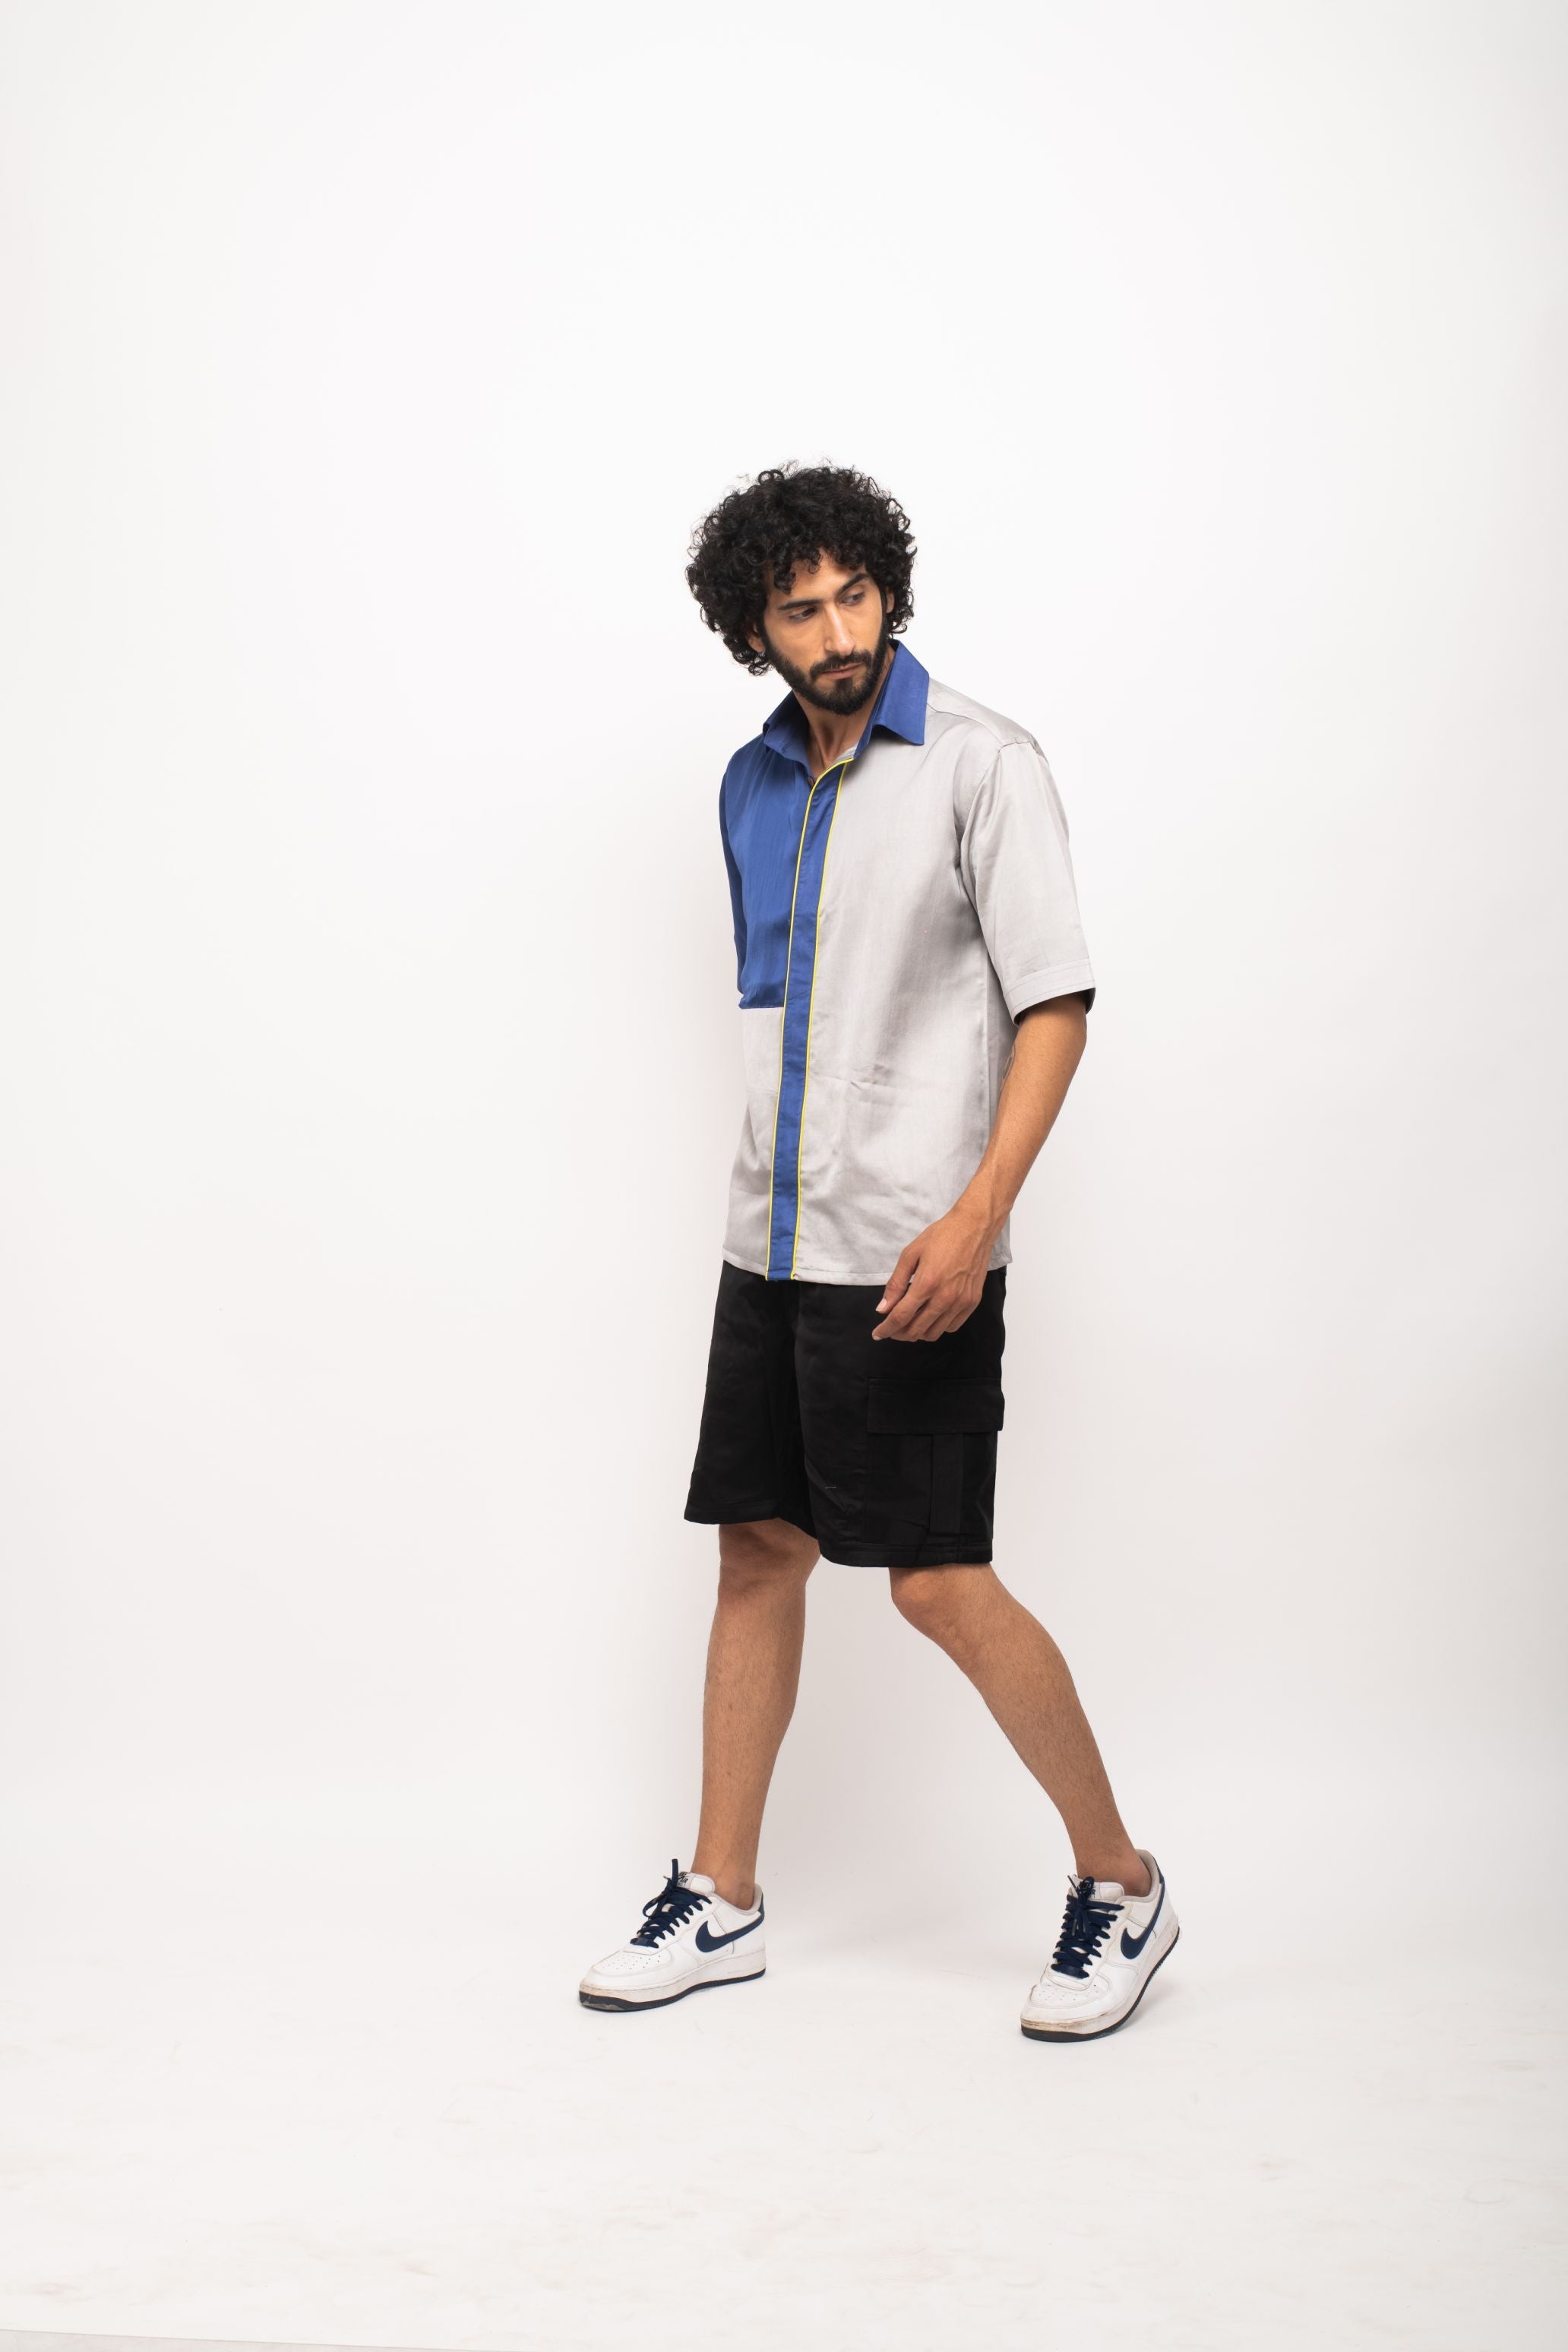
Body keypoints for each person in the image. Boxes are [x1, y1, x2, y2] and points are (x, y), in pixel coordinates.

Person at [578, 463, 1177, 2041]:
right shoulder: (749, 785)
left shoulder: (984, 763)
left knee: (935, 1579)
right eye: (801, 609)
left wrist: (978, 1217)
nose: (839, 632)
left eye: (857, 596)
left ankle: (1120, 1883)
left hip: (917, 1249)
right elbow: (793, 1016)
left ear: (891, 593)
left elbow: (1054, 1002)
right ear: (752, 630)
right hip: (770, 1242)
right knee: (756, 1552)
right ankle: (722, 1895)